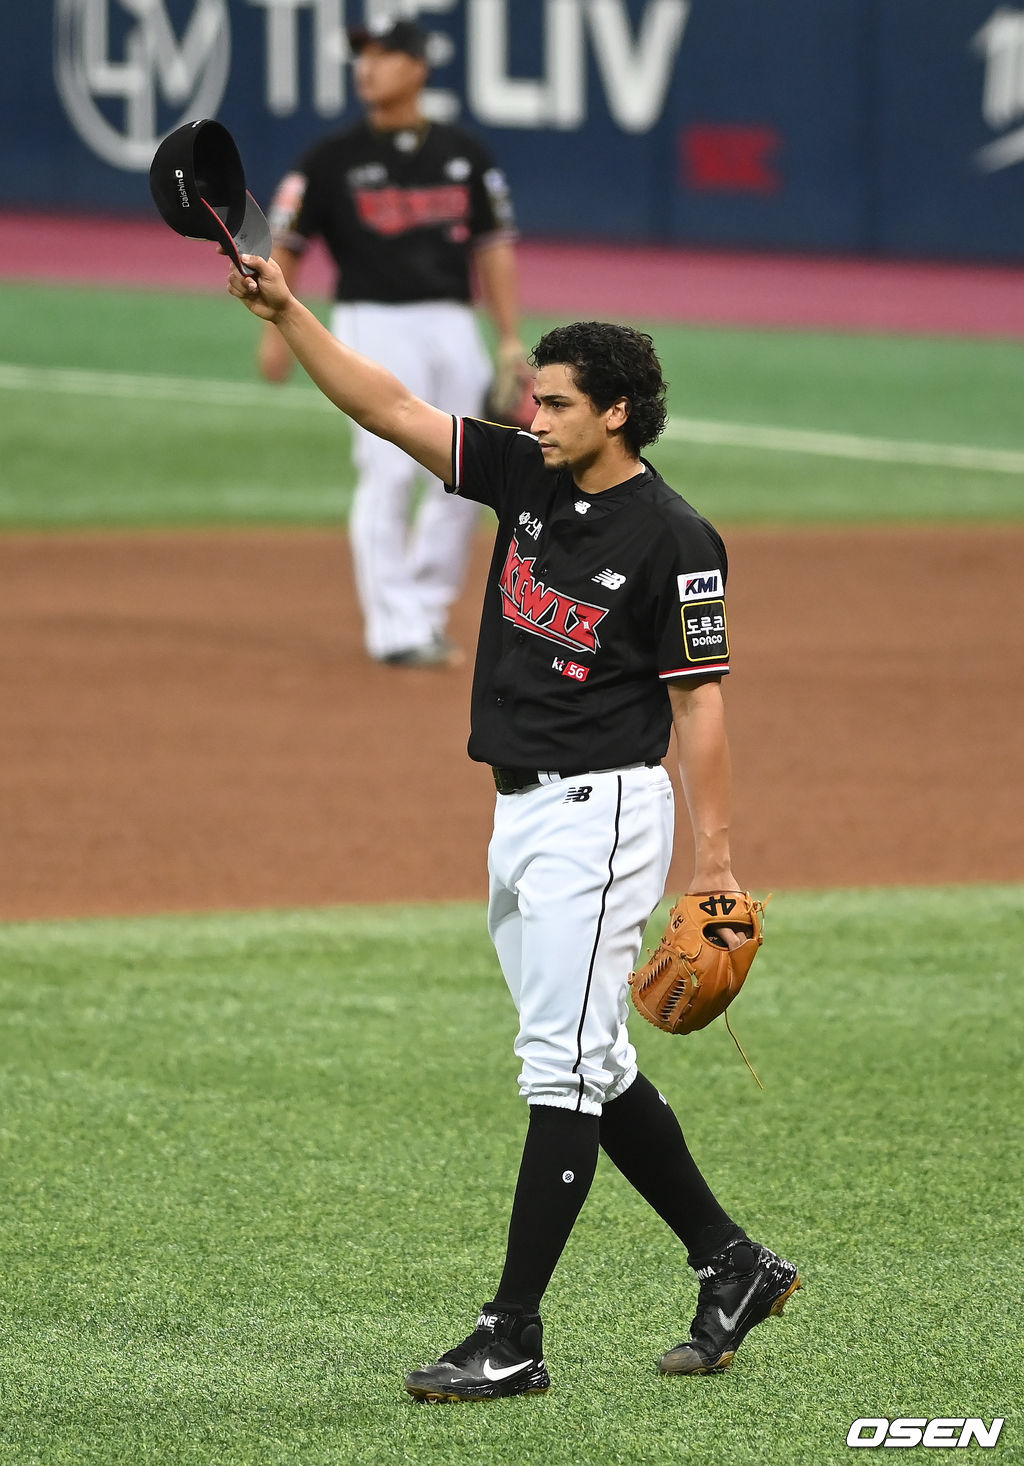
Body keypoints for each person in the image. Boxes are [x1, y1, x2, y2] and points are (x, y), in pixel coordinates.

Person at [226, 250, 802, 1400]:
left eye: (556, 402)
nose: (531, 416)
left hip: (603, 814)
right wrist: (290, 308)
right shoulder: (525, 475)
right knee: (593, 1054)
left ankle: (513, 1331)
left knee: (560, 1066)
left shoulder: (675, 537)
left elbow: (700, 700)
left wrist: (718, 859)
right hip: (521, 815)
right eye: (532, 399)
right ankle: (732, 1260)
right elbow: (386, 405)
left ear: (617, 412)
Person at [259, 15, 526, 667]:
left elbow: (495, 249)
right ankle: (392, 627)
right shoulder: (330, 160)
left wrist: (510, 339)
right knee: (386, 470)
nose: (366, 68)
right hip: (370, 323)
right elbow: (285, 245)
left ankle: (427, 612)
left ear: (418, 68)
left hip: (452, 322)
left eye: (382, 55)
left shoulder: (464, 153)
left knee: (466, 464)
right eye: (362, 57)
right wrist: (275, 333)